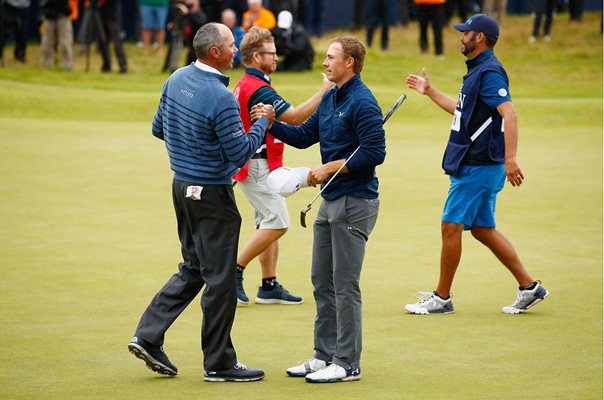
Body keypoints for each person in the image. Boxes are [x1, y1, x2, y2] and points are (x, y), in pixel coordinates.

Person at [128, 22, 274, 382]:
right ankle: (219, 363)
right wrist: (263, 123)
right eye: (230, 46)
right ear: (214, 53)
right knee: (221, 279)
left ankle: (147, 335)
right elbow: (240, 153)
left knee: (194, 267)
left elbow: (158, 128)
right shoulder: (221, 97)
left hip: (182, 188)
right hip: (211, 194)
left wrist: (193, 150)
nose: (236, 51)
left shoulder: (176, 78)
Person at [403, 14, 549, 315]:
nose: (460, 37)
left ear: (479, 37)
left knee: (450, 225)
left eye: (465, 32)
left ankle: (441, 298)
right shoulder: (477, 72)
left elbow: (510, 114)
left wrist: (511, 159)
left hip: (479, 165)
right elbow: (462, 112)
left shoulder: (490, 72)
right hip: (479, 164)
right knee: (483, 229)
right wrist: (429, 91)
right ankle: (529, 286)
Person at [260, 36, 385, 383]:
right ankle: (323, 355)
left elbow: (375, 154)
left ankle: (347, 363)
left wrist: (330, 168)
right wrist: (273, 125)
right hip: (330, 201)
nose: (325, 63)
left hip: (356, 201)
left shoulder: (364, 102)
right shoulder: (330, 97)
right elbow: (303, 136)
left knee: (345, 285)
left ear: (350, 63)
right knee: (321, 281)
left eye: (331, 58)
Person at [233, 26, 332, 306]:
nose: (276, 58)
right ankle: (234, 271)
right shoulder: (258, 89)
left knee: (267, 223)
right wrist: (324, 92)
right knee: (277, 223)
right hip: (256, 164)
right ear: (254, 56)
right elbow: (296, 117)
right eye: (270, 54)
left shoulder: (248, 83)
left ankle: (268, 285)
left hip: (258, 162)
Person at [39, 0, 74, 70]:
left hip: (64, 15)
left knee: (65, 43)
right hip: (48, 16)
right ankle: (46, 64)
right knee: (47, 43)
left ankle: (67, 65)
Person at [98, 0, 128, 73]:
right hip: (100, 15)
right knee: (102, 42)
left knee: (117, 43)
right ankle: (106, 64)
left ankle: (123, 66)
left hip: (112, 17)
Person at [0, 0, 30, 64]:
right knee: (3, 33)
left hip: (24, 7)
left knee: (22, 33)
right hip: (8, 6)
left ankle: (20, 56)